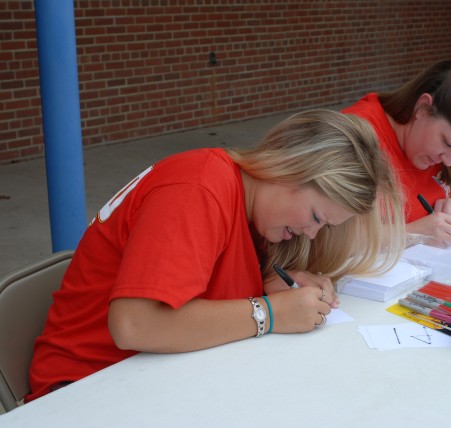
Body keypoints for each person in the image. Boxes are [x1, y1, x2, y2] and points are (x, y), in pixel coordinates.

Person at [26, 109, 406, 402]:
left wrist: (272, 282)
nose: (311, 233)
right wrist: (269, 314)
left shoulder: (250, 209)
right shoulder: (199, 188)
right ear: (290, 167)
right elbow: (135, 325)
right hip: (82, 390)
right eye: (316, 217)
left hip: (152, 377)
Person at [343, 58, 451, 247]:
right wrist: (415, 233)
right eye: (447, 143)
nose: (449, 161)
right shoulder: (356, 137)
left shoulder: (448, 145)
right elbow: (325, 234)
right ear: (422, 108)